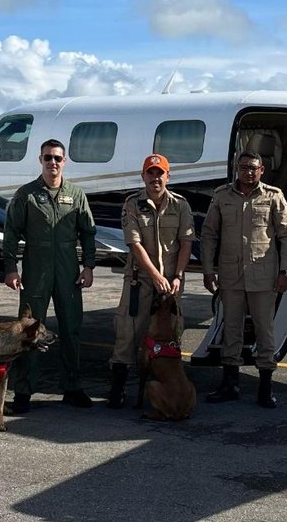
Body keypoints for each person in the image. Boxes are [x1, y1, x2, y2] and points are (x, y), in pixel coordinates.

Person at [2, 138, 97, 413]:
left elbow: (87, 232)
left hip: (68, 269)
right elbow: (11, 233)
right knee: (29, 330)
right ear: (40, 161)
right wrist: (10, 268)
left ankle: (72, 387)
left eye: (57, 158)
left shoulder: (76, 195)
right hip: (36, 267)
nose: (52, 163)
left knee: (71, 328)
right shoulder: (26, 195)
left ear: (64, 161)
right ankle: (23, 391)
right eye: (47, 158)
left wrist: (88, 265)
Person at [201, 151, 287, 408]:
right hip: (231, 276)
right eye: (244, 167)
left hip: (264, 277)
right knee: (231, 329)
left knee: (265, 330)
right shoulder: (222, 196)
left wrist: (285, 272)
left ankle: (266, 387)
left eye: (253, 168)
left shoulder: (273, 196)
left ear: (262, 170)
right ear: (236, 168)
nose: (249, 172)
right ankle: (230, 384)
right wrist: (208, 270)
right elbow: (209, 234)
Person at [106, 154, 194, 408]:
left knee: (171, 333)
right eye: (150, 173)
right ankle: (118, 388)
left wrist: (176, 276)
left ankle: (167, 384)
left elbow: (186, 242)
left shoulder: (181, 205)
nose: (155, 178)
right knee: (128, 331)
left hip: (172, 282)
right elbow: (134, 244)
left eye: (160, 173)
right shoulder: (132, 205)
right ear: (143, 176)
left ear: (168, 176)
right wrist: (155, 276)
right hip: (141, 279)